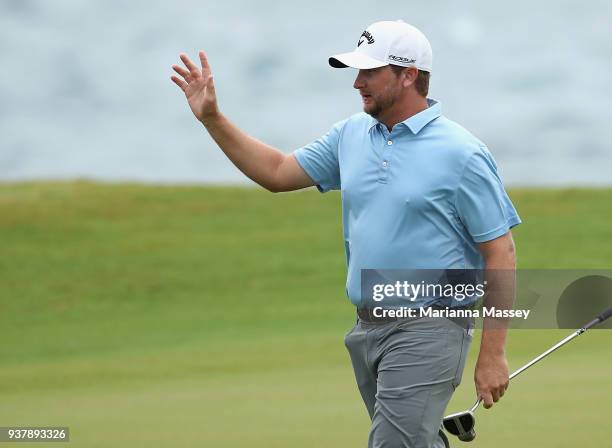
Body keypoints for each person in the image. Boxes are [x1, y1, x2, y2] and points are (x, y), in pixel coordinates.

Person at [171, 20, 520, 448]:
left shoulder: (462, 153)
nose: (357, 83)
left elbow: (500, 252)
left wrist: (493, 353)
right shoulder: (351, 135)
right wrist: (213, 119)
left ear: (407, 75)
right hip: (367, 330)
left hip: (431, 328)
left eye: (369, 72)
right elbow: (277, 172)